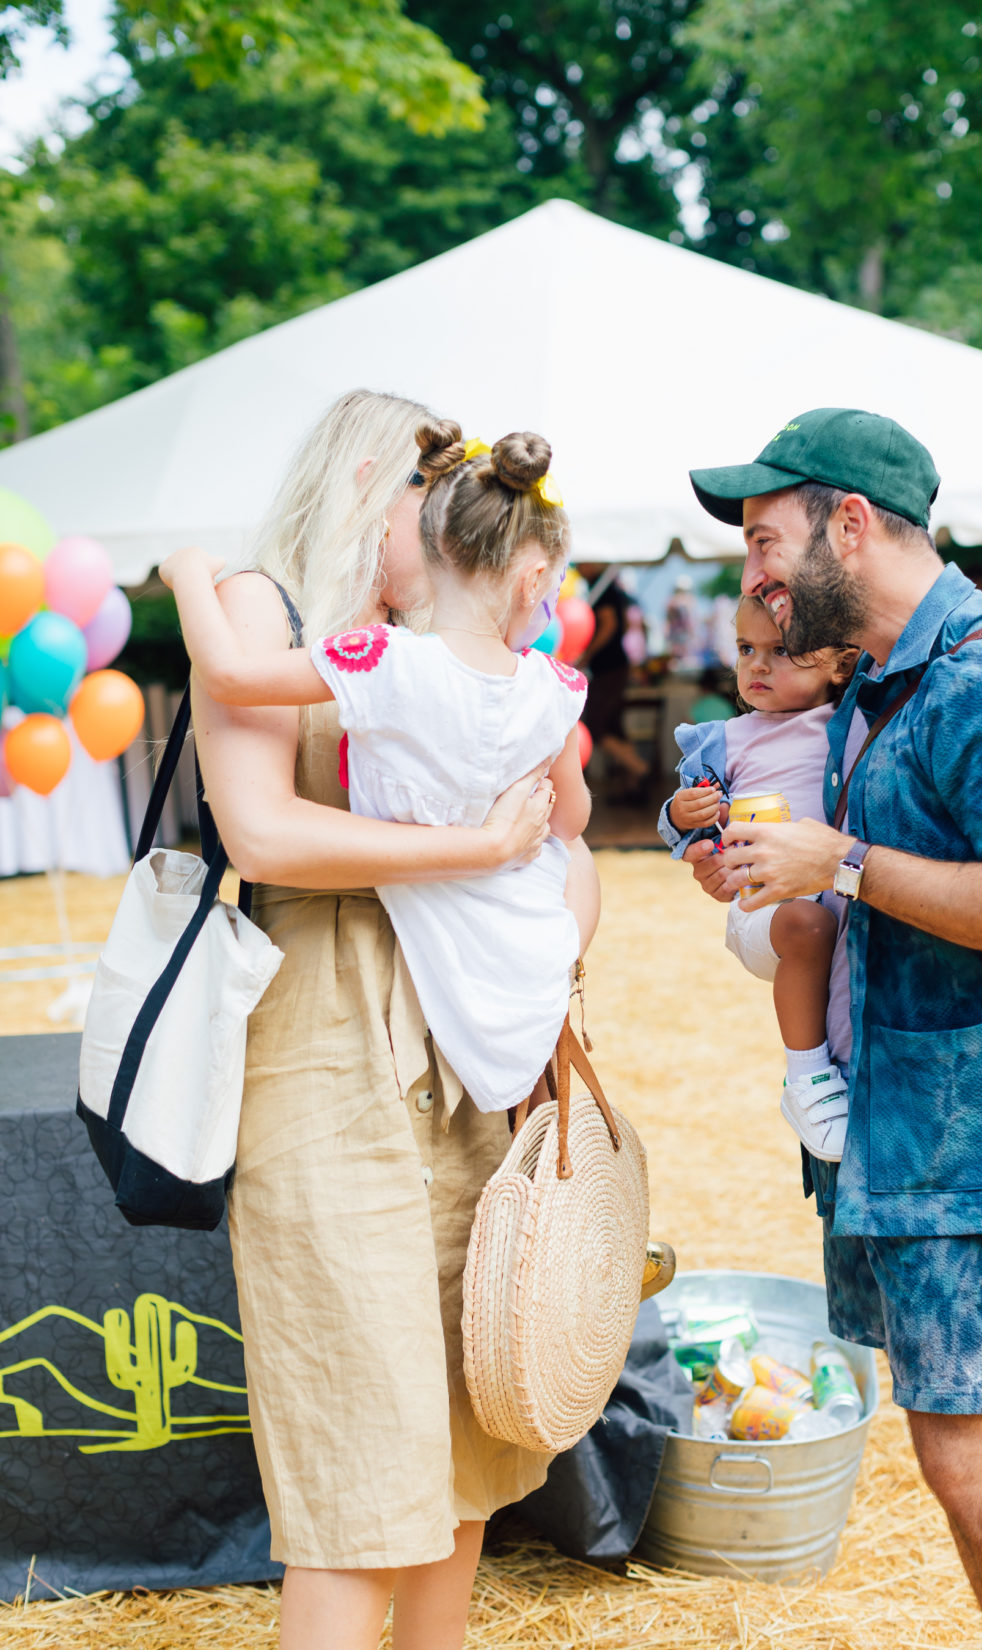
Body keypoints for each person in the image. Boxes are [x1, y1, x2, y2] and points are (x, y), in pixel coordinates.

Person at [162, 388, 590, 1650]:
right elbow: (260, 831)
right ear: (365, 491)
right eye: (425, 495)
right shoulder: (266, 607)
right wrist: (471, 848)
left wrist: (552, 935)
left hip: (460, 1060)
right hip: (322, 1047)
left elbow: (561, 829)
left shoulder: (447, 652)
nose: (445, 525)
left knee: (461, 1464)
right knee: (359, 1479)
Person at [684, 406, 982, 1649]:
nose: (752, 574)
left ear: (847, 527)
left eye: (765, 538)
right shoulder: (874, 682)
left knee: (977, 1471)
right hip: (899, 1135)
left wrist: (843, 863)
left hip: (963, 1145)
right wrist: (768, 872)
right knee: (955, 1464)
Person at [161, 426, 595, 1116]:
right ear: (533, 579)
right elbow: (569, 824)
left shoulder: (382, 659)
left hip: (407, 963)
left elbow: (231, 674)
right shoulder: (556, 687)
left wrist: (187, 573)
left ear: (431, 544)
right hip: (513, 961)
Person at [657, 593, 856, 1161]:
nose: (757, 666)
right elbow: (686, 824)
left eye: (782, 651)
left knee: (826, 923)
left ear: (839, 665)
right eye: (746, 649)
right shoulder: (726, 740)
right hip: (763, 912)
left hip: (836, 899)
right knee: (808, 925)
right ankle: (807, 1078)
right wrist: (687, 816)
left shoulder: (852, 725)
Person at [575, 561, 649, 794]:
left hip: (609, 667)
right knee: (612, 725)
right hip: (614, 665)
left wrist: (587, 655)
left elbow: (609, 625)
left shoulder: (603, 588)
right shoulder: (612, 588)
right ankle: (633, 778)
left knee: (597, 726)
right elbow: (623, 625)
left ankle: (639, 768)